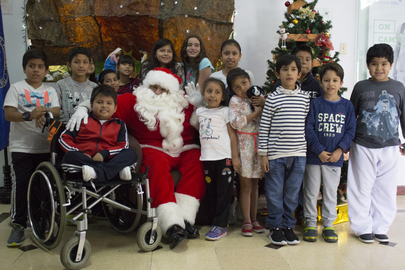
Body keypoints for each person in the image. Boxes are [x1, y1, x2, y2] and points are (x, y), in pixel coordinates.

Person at [66, 67, 205, 250]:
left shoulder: (184, 102)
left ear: (172, 92)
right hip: (153, 149)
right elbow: (105, 104)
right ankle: (171, 225)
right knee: (156, 165)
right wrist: (83, 108)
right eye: (153, 87)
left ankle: (186, 219)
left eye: (162, 89)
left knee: (198, 160)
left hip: (186, 149)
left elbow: (209, 121)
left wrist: (199, 106)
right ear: (146, 85)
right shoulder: (135, 101)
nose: (156, 92)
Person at [348, 43, 405, 244]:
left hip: (390, 146)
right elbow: (351, 116)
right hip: (362, 145)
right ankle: (362, 227)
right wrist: (347, 142)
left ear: (391, 65)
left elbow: (403, 116)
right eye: (374, 64)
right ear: (367, 65)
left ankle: (380, 227)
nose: (378, 68)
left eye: (383, 64)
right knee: (361, 187)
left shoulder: (398, 88)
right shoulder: (361, 87)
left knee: (385, 189)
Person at [3, 49, 60, 247]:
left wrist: (43, 112)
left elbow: (56, 110)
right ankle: (18, 224)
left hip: (44, 146)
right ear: (25, 68)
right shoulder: (16, 89)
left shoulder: (50, 91)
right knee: (22, 185)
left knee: (42, 187)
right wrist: (29, 115)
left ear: (46, 71)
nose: (36, 70)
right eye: (32, 66)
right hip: (21, 147)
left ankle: (39, 221)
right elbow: (9, 114)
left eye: (40, 67)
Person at [259, 54, 310, 246]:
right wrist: (263, 155)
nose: (289, 73)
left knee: (292, 193)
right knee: (274, 192)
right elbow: (264, 128)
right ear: (277, 73)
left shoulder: (304, 99)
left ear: (299, 73)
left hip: (298, 155)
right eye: (285, 69)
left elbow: (305, 124)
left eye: (293, 69)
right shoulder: (272, 99)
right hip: (276, 156)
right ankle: (276, 226)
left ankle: (289, 226)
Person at [303, 63, 356, 243]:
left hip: (335, 158)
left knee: (331, 192)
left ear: (341, 83)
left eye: (335, 80)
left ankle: (328, 225)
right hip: (314, 157)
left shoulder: (347, 106)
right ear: (321, 82)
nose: (330, 84)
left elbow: (350, 131)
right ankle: (310, 223)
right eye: (326, 80)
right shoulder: (315, 104)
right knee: (311, 191)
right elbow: (308, 129)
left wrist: (339, 150)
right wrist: (318, 150)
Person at [59, 84, 137, 182]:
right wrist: (81, 153)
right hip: (85, 161)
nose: (104, 106)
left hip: (108, 159)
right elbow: (63, 138)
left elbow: (123, 145)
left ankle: (96, 173)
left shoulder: (119, 124)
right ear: (91, 105)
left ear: (115, 108)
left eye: (109, 103)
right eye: (99, 102)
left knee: (131, 154)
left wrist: (104, 154)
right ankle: (111, 171)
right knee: (69, 157)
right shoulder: (83, 120)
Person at [195, 78, 241, 241]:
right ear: (203, 94)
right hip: (207, 158)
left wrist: (234, 157)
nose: (212, 95)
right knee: (212, 191)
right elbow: (196, 128)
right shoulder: (200, 112)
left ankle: (221, 226)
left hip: (224, 159)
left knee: (223, 191)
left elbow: (232, 135)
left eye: (217, 92)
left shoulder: (225, 111)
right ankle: (220, 216)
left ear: (223, 96)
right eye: (209, 91)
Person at [228, 68, 265, 237]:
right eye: (237, 87)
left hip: (259, 145)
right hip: (244, 145)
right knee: (245, 186)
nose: (242, 89)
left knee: (256, 185)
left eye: (244, 83)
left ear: (249, 81)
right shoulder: (235, 101)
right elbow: (236, 123)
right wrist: (255, 113)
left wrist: (262, 105)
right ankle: (246, 221)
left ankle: (254, 218)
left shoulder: (258, 97)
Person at [55, 47, 98, 124]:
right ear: (69, 65)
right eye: (76, 62)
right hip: (66, 129)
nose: (81, 65)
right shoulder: (61, 85)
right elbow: (57, 109)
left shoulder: (94, 87)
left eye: (85, 62)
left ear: (90, 65)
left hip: (89, 131)